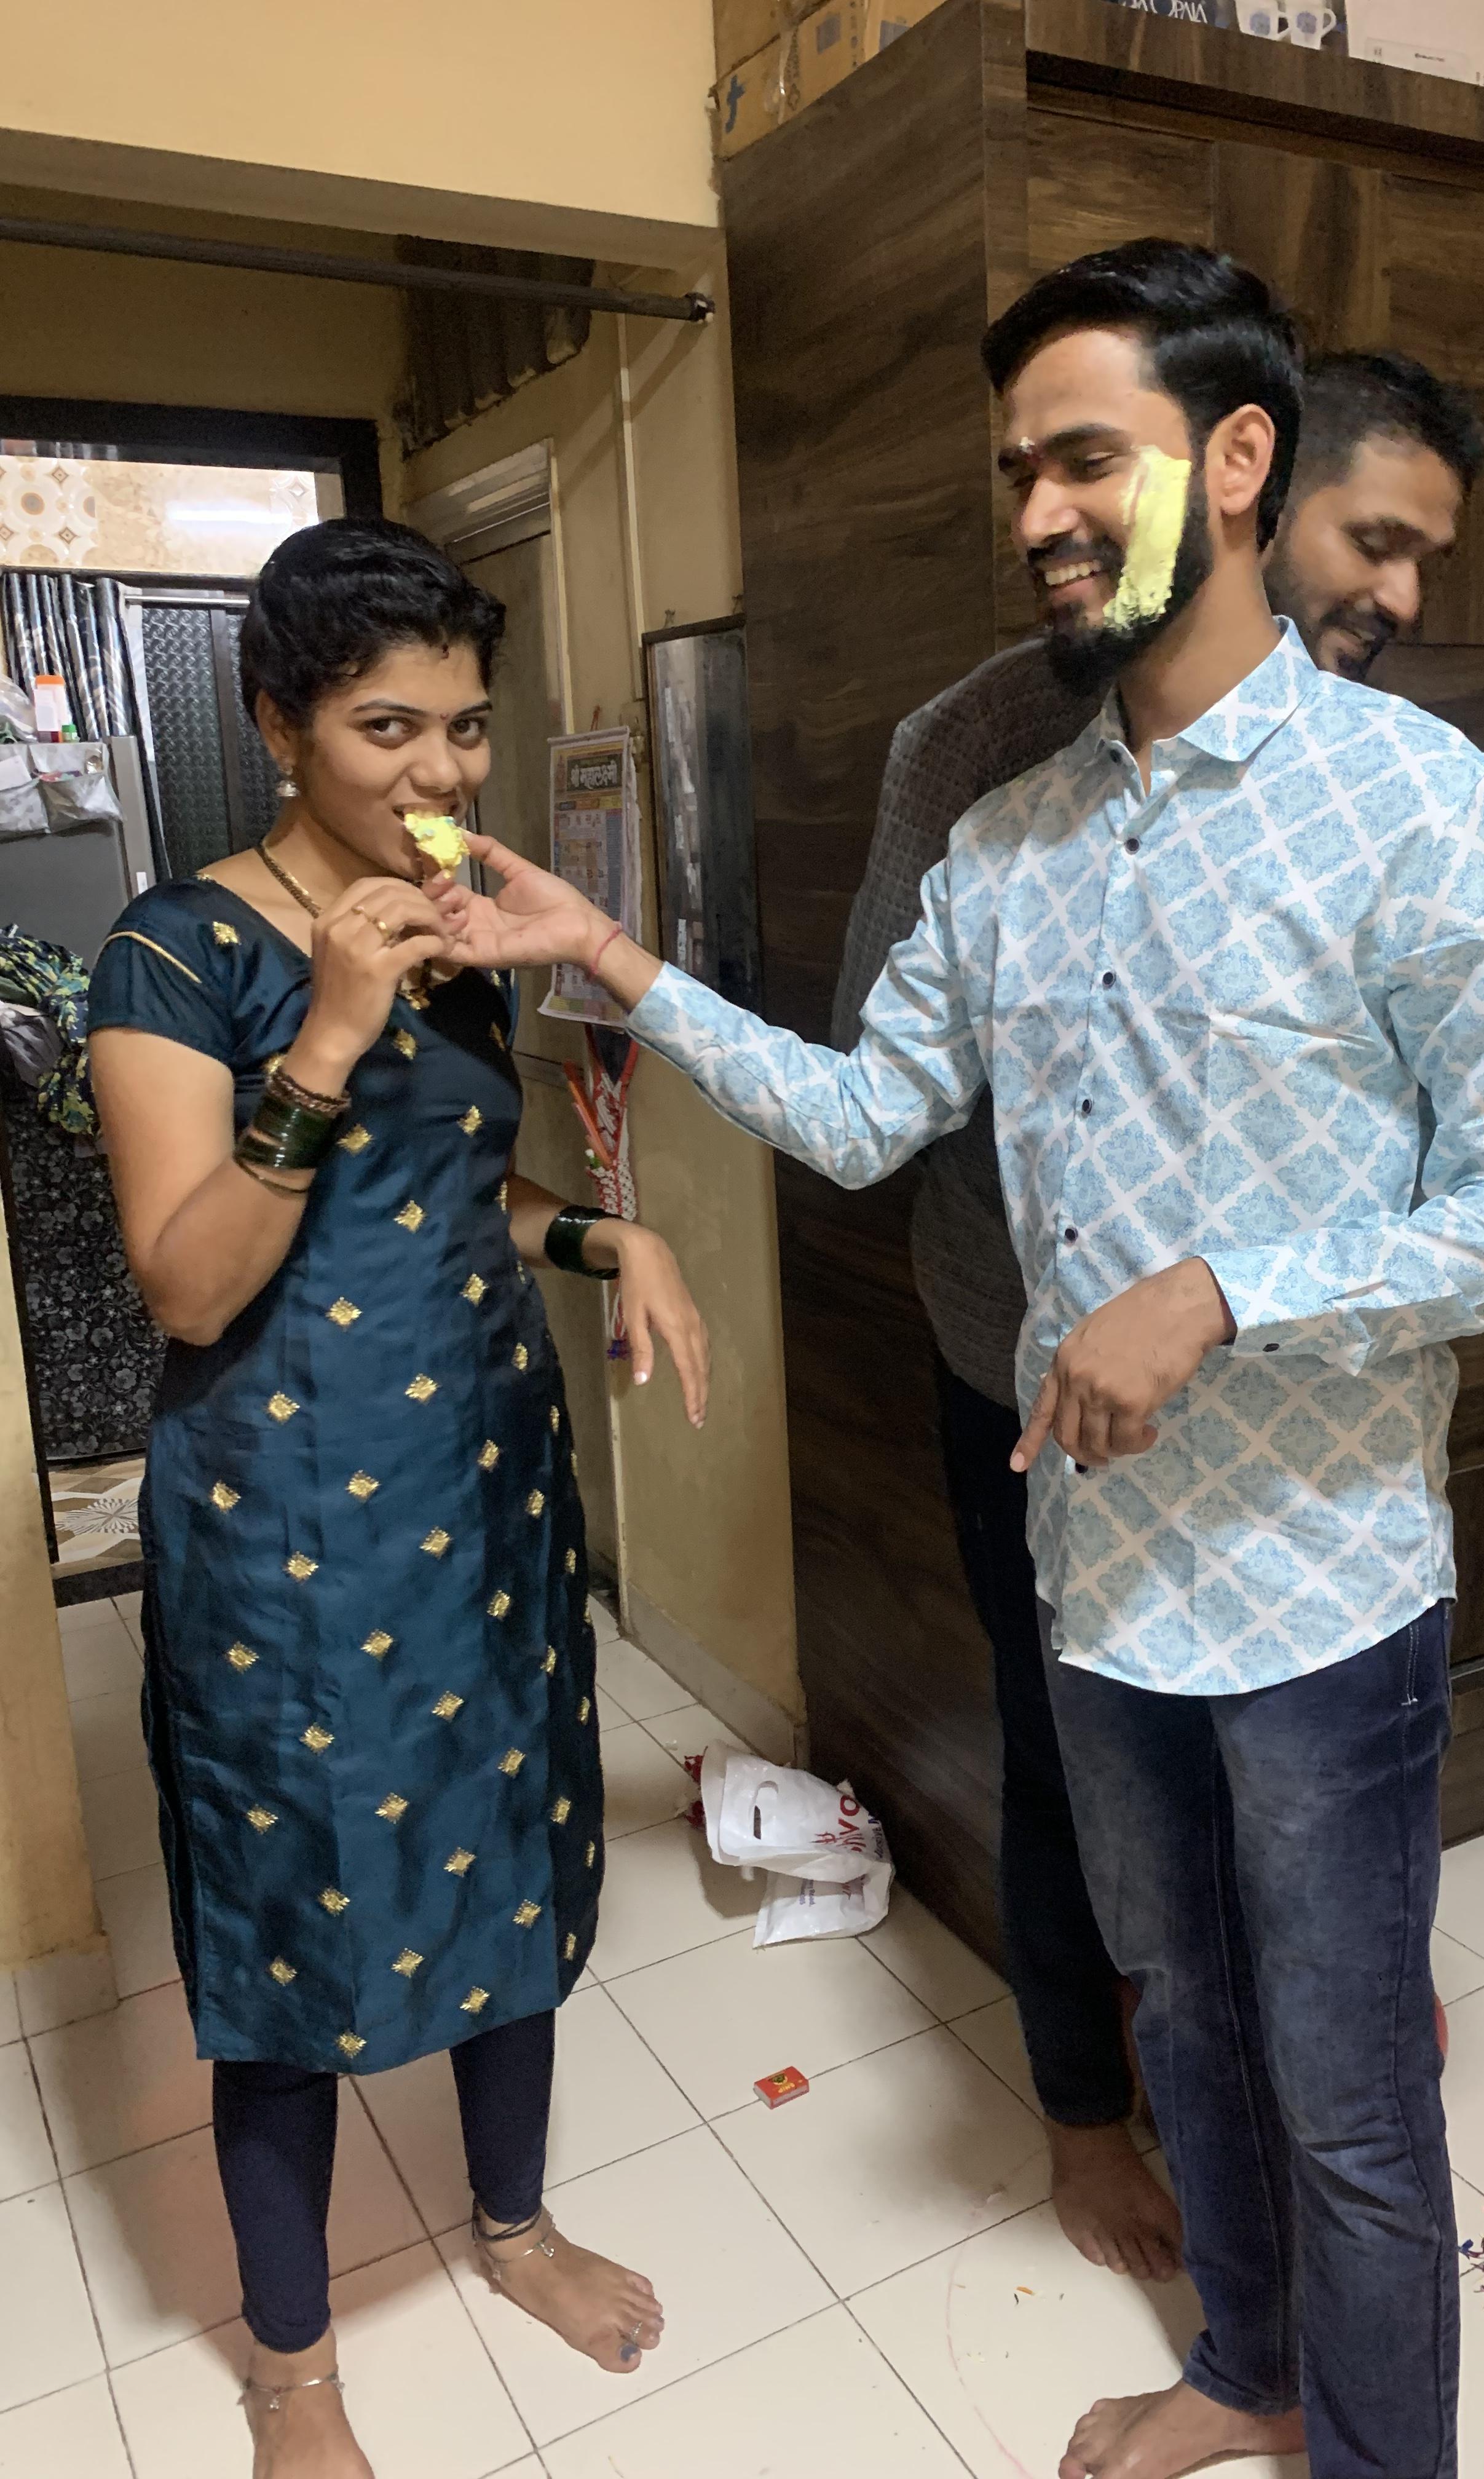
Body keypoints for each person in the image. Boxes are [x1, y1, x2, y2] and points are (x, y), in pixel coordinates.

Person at [432, 239, 1484, 2479]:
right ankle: (1248, 2368)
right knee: (1191, 2024)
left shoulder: (1425, 807)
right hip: (1102, 1582)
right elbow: (866, 1113)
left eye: (1088, 459)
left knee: (1355, 2093)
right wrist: (607, 953)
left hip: (1326, 1592)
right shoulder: (1006, 842)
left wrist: (1228, 1289)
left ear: (1240, 458)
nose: (1042, 514)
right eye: (1019, 474)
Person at [830, 344, 1484, 2287]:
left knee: (1308, 1749)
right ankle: (1081, 2112)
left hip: (1296, 1372)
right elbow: (887, 1071)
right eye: (1373, 544)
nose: (1399, 598)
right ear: (1247, 499)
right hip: (1033, 1362)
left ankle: (1308, 2067)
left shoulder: (1386, 764)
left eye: (1424, 559)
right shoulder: (981, 749)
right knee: (1075, 1749)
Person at [87, 518, 710, 2479]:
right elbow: (190, 1283)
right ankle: (291, 2368)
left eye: (463, 726)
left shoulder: (458, 929)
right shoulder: (173, 953)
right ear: (279, 724)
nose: (441, 771)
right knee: (292, 1924)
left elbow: (459, 1197)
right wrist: (331, 1037)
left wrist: (613, 1239)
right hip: (284, 1525)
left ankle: (511, 2226)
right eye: (387, 728)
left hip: (485, 1488)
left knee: (511, 1852)